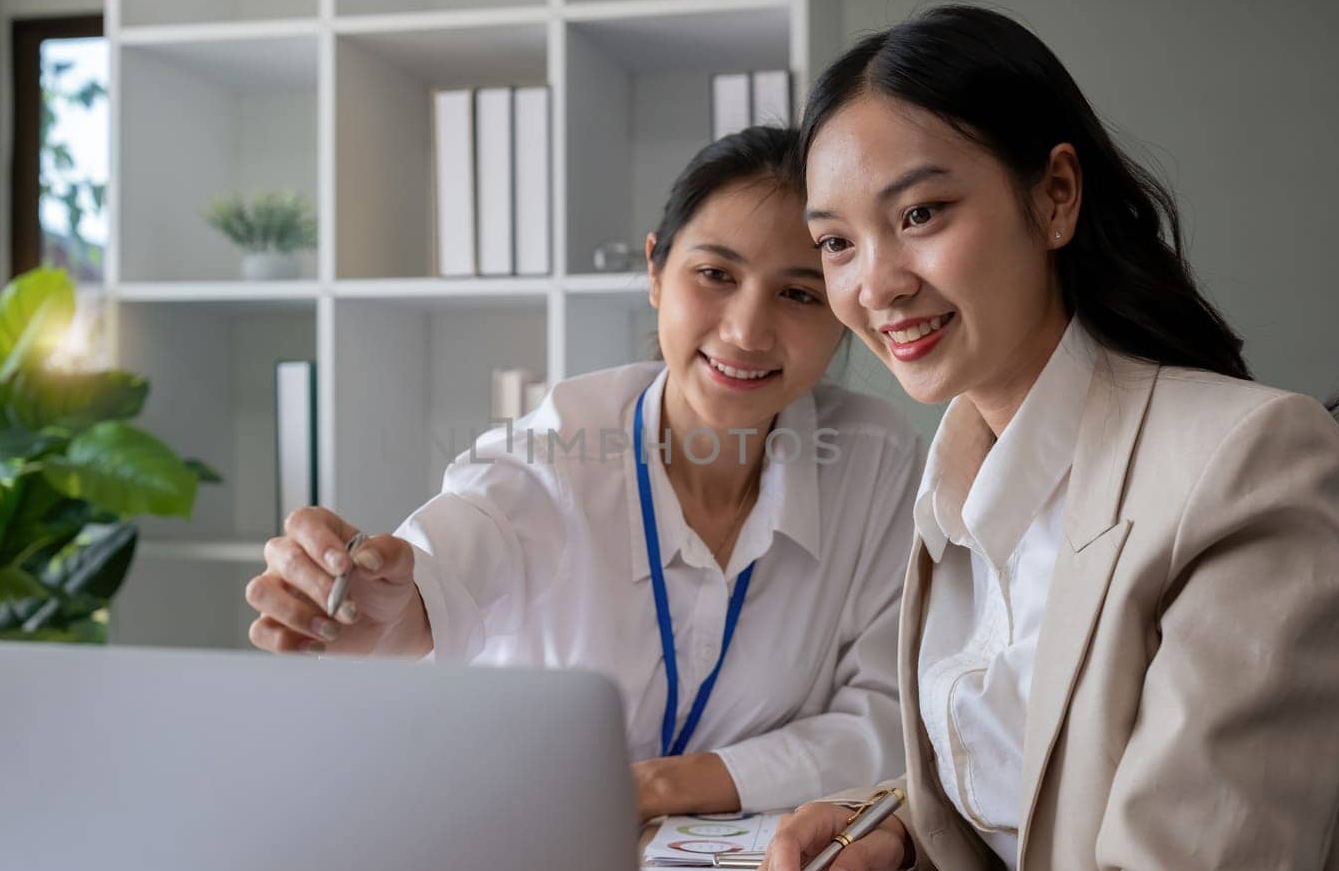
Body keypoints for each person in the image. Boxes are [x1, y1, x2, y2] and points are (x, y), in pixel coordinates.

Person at [647, 5, 1339, 871]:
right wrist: (890, 819)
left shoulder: (1246, 458)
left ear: (1053, 195)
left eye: (919, 214)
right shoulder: (955, 479)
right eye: (836, 242)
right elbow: (1049, 762)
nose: (874, 282)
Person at [246, 126, 922, 819]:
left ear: (844, 306)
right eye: (716, 275)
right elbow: (445, 567)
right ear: (656, 272)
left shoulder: (874, 463)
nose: (748, 330)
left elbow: (890, 720)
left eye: (800, 294)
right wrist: (380, 611)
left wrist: (659, 786)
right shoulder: (557, 449)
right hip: (524, 853)